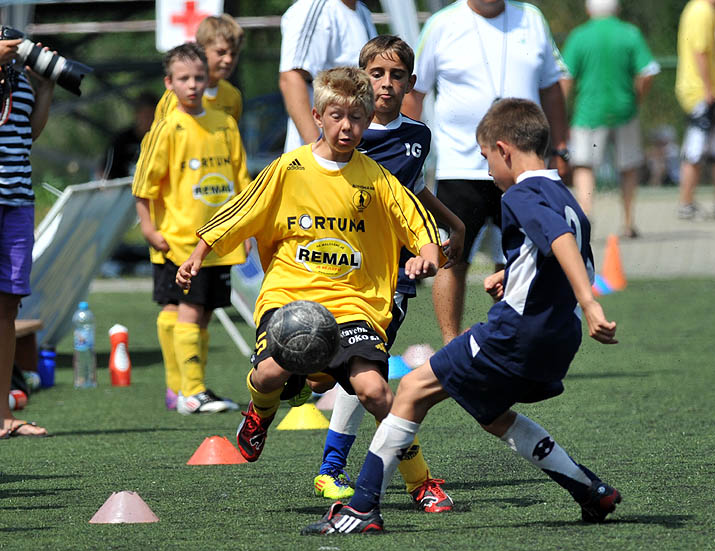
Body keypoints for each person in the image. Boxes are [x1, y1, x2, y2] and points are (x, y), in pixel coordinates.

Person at [302, 98, 622, 535]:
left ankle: (361, 509)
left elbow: (560, 240)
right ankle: (590, 490)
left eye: (487, 158)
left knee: (411, 389)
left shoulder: (522, 193)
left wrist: (590, 303)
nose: (488, 171)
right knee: (492, 414)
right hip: (559, 336)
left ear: (504, 150)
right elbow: (571, 251)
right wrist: (515, 273)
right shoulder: (563, 195)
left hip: (515, 331)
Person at [176, 66, 454, 513]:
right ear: (317, 116)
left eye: (357, 118)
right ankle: (260, 413)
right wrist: (198, 253)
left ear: (369, 119)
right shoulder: (290, 169)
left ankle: (420, 482)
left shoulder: (376, 178)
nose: (347, 127)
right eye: (337, 116)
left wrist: (427, 255)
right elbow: (241, 210)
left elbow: (417, 223)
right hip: (291, 298)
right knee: (269, 375)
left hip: (353, 304)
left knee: (377, 393)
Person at [308, 35, 466, 504]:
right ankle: (302, 392)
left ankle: (333, 467)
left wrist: (453, 224)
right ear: (361, 79)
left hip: (389, 277)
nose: (386, 83)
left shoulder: (418, 136)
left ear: (410, 83)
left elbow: (411, 190)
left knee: (364, 366)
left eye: (396, 75)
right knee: (344, 370)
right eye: (376, 74)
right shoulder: (344, 136)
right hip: (337, 270)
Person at [403, 0, 570, 345]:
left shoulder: (531, 17)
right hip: (459, 165)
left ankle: (510, 342)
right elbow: (414, 93)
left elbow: (552, 86)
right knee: (452, 258)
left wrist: (560, 146)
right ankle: (451, 345)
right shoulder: (441, 24)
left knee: (520, 258)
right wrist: (408, 150)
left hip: (521, 169)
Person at [132, 43, 249, 414]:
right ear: (169, 83)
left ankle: (179, 388)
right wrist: (149, 228)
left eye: (199, 77)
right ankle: (192, 391)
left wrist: (246, 230)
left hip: (220, 240)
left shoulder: (224, 123)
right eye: (184, 79)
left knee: (203, 310)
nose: (193, 85)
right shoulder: (167, 128)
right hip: (181, 238)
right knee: (190, 307)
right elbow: (143, 186)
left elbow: (242, 181)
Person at [561, 0, 660, 238]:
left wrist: (560, 112)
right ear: (617, 8)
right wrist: (637, 97)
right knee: (628, 167)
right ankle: (628, 222)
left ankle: (586, 215)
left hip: (588, 112)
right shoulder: (630, 33)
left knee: (584, 165)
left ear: (588, 9)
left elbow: (565, 77)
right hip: (625, 111)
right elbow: (648, 72)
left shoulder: (579, 36)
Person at [0, 36, 54, 438]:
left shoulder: (18, 80)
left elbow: (27, 133)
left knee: (8, 306)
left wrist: (46, 86)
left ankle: (3, 415)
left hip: (19, 201)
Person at [278, 0, 376, 153]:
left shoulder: (362, 11)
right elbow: (291, 78)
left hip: (352, 155)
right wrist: (317, 152)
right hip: (317, 160)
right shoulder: (313, 7)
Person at [675, 0, 715, 220]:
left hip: (705, 91)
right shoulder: (702, 11)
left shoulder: (699, 9)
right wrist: (708, 90)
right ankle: (686, 203)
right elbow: (700, 51)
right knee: (695, 149)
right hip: (701, 92)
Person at [154, 14, 244, 123]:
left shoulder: (233, 96)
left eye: (234, 54)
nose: (228, 60)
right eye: (221, 52)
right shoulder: (178, 95)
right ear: (202, 50)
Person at [98, 92, 158, 180]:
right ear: (137, 115)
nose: (150, 120)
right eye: (146, 115)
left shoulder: (162, 139)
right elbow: (104, 173)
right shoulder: (121, 141)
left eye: (153, 116)